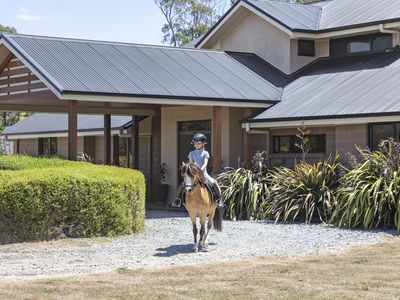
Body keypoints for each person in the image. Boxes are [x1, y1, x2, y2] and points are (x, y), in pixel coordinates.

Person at [172, 133, 223, 207]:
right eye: (195, 143)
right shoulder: (191, 153)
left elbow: (205, 163)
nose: (196, 145)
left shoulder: (205, 153)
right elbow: (190, 163)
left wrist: (200, 170)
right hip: (193, 174)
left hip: (203, 173)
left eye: (198, 143)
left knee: (214, 183)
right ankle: (177, 199)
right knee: (183, 184)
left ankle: (219, 199)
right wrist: (191, 168)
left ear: (203, 144)